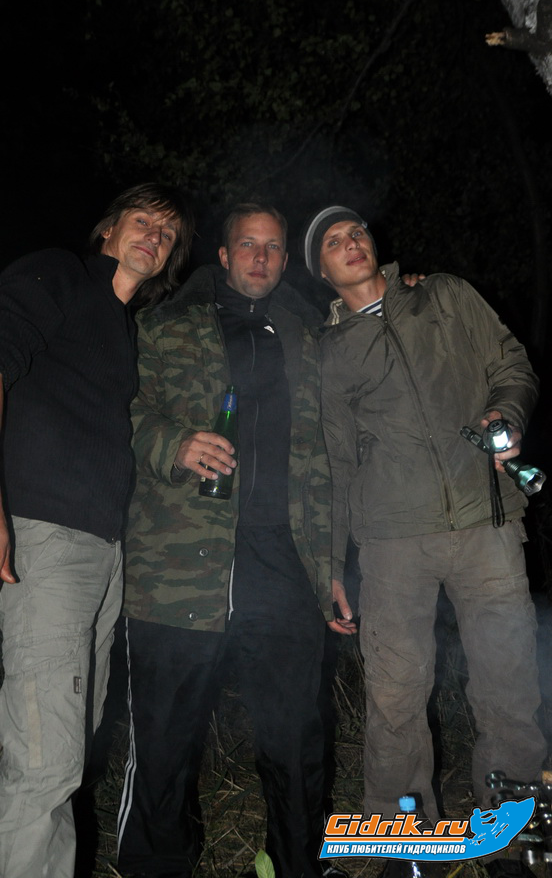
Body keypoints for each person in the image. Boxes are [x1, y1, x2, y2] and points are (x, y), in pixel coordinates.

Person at [0, 183, 194, 878]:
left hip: (101, 553)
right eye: (142, 220)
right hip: (44, 538)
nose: (154, 236)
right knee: (45, 763)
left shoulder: (123, 327)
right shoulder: (56, 272)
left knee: (67, 754)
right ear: (108, 229)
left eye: (168, 234)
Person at [303, 205, 546, 875]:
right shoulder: (327, 352)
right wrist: (332, 563)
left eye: (356, 231)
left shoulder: (444, 295)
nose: (351, 243)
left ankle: (516, 839)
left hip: (486, 522)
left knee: (508, 684)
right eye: (333, 242)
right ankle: (406, 845)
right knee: (394, 698)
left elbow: (513, 365)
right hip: (391, 543)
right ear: (321, 270)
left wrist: (506, 411)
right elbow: (333, 461)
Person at [117, 203, 356, 878]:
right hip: (178, 560)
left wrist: (327, 567)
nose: (260, 256)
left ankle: (298, 865)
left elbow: (325, 457)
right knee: (164, 737)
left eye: (273, 247)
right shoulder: (163, 326)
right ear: (222, 256)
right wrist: (172, 442)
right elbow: (119, 407)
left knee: (295, 735)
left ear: (284, 260)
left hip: (281, 561)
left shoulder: (309, 338)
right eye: (247, 244)